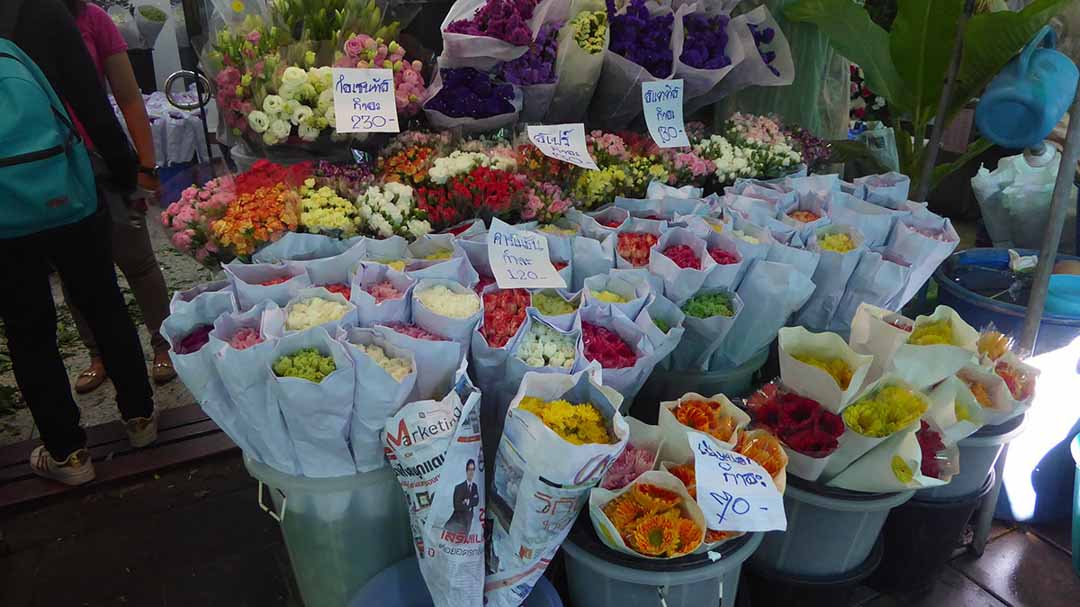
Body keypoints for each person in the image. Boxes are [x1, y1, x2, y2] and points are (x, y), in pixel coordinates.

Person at [1, 0, 158, 486]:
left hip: (4, 210)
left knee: (28, 330)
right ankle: (140, 421)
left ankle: (70, 456)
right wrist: (128, 173)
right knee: (103, 301)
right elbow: (93, 104)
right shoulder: (47, 12)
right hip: (70, 185)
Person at [63, 0, 175, 391]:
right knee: (75, 273)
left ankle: (165, 343)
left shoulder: (92, 18)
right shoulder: (16, 21)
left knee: (138, 261)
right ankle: (98, 353)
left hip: (105, 160)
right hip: (52, 170)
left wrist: (146, 164)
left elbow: (129, 96)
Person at [445, 459, 480, 536]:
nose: (471, 472)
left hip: (468, 522)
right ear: (466, 471)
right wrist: (470, 503)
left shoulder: (475, 487)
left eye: (473, 469)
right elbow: (457, 506)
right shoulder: (459, 487)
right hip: (457, 522)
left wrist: (466, 501)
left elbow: (476, 501)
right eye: (470, 469)